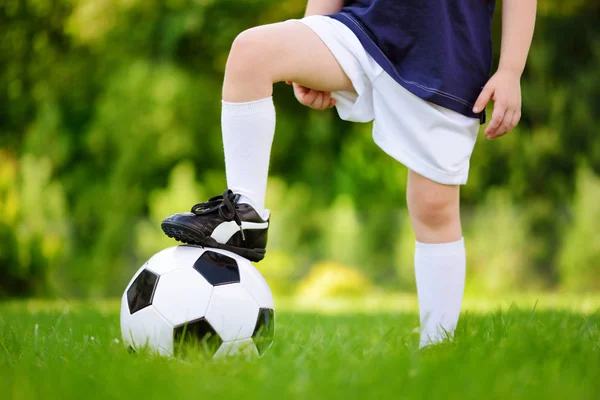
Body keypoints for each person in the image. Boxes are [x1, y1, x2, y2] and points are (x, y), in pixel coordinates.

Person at [161, 0, 537, 347]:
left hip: (448, 55)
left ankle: (437, 342)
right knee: (251, 52)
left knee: (433, 207)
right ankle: (245, 216)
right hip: (367, 26)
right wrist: (307, 46)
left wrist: (511, 70)